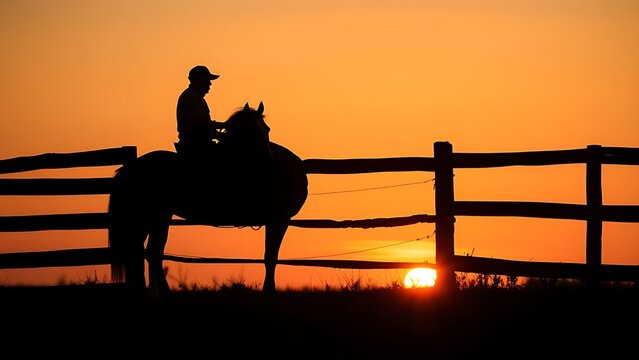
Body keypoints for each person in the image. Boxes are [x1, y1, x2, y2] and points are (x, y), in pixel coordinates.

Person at [175, 65, 225, 158]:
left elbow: (203, 125)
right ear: (199, 80)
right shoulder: (191, 97)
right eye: (207, 80)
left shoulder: (194, 96)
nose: (210, 84)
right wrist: (223, 125)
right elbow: (200, 124)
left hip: (197, 144)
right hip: (196, 147)